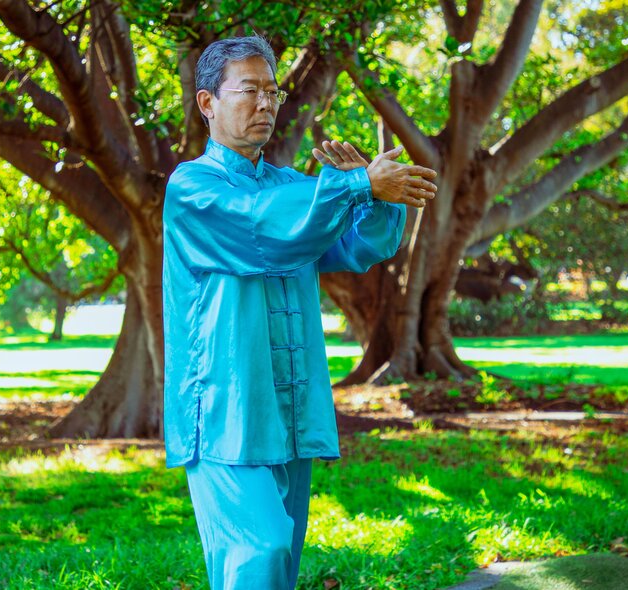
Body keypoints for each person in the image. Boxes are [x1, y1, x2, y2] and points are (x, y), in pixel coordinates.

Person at [162, 35, 437, 590]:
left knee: (280, 561)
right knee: (257, 552)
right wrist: (357, 185)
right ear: (208, 103)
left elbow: (356, 247)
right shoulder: (191, 187)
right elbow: (266, 227)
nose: (265, 104)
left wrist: (378, 198)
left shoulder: (291, 186)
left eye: (273, 92)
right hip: (225, 406)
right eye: (249, 91)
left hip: (287, 404)